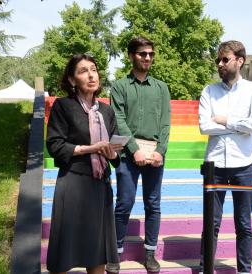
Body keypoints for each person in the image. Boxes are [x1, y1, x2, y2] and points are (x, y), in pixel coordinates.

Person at [46, 53, 123, 274]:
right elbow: (55, 146)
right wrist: (91, 148)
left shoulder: (107, 111)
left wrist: (111, 154)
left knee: (98, 250)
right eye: (83, 71)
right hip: (73, 183)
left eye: (93, 69)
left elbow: (117, 154)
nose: (91, 75)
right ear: (72, 80)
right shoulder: (63, 106)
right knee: (65, 249)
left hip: (100, 186)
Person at [198, 40, 252, 274]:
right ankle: (206, 268)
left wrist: (225, 120)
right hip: (214, 166)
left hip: (244, 166)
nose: (220, 64)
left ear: (240, 61)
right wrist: (240, 125)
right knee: (211, 223)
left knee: (244, 224)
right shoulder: (209, 91)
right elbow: (204, 127)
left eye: (225, 59)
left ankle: (244, 271)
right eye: (218, 60)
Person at [106, 36, 171, 273]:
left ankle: (150, 254)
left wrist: (160, 151)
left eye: (151, 54)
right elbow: (118, 120)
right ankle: (115, 254)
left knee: (153, 205)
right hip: (128, 156)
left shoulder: (162, 87)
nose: (148, 58)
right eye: (143, 53)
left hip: (154, 155)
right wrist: (134, 151)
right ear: (131, 55)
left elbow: (165, 123)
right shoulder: (120, 86)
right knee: (124, 203)